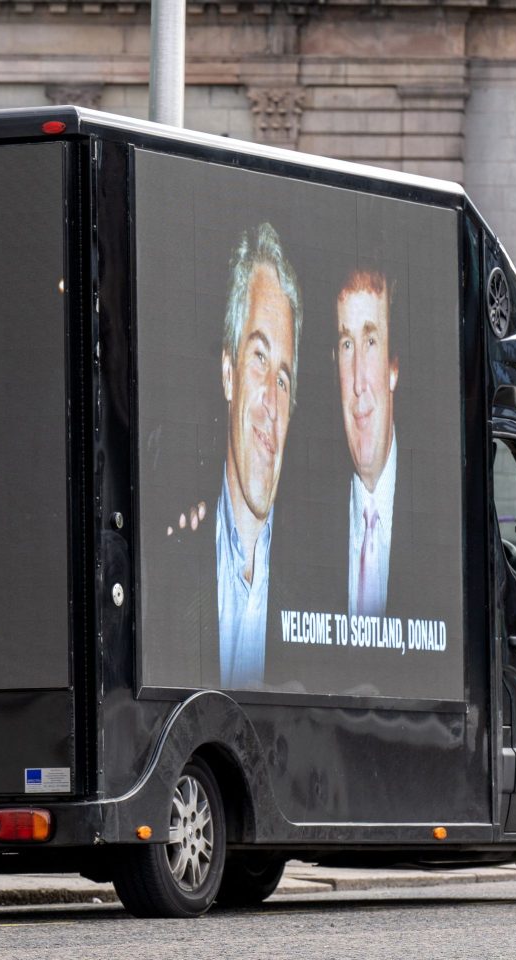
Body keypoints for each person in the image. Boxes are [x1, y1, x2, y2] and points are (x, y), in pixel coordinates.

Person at [215, 222, 302, 689]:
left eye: (283, 379)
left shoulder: (312, 584)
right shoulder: (173, 556)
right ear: (229, 372)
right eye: (259, 358)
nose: (271, 400)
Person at [334, 268, 400, 617]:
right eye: (347, 345)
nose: (358, 382)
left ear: (393, 369)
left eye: (371, 342)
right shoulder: (301, 520)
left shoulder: (444, 512)